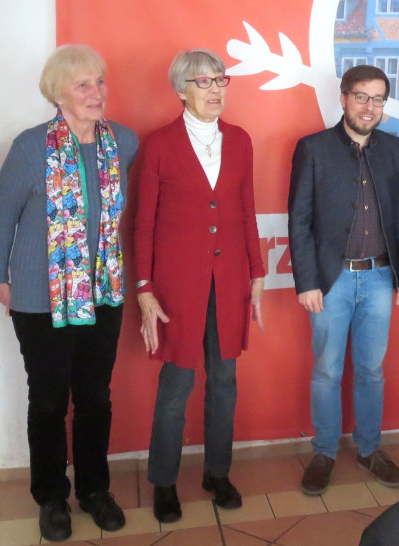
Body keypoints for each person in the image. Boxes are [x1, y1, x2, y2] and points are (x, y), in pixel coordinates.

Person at [0, 44, 138, 542]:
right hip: (39, 297)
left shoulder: (124, 143)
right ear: (58, 93)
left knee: (95, 396)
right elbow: (2, 217)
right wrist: (0, 277)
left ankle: (94, 490)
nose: (96, 93)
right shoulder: (31, 147)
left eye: (99, 82)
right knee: (50, 400)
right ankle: (51, 496)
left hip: (103, 293)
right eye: (83, 85)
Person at [133, 49, 265, 523]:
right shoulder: (160, 144)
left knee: (224, 380)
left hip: (229, 280)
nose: (215, 90)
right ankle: (164, 480)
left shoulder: (241, 140)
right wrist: (144, 287)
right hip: (176, 286)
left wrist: (257, 273)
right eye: (204, 82)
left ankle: (217, 471)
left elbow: (247, 210)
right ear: (181, 90)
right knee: (176, 384)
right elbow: (143, 222)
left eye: (220, 80)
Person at [288, 65, 399, 496]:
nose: (370, 107)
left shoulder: (394, 149)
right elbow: (300, 220)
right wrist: (306, 281)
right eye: (362, 97)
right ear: (343, 98)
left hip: (381, 277)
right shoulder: (313, 149)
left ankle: (369, 449)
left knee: (371, 370)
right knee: (326, 370)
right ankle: (324, 452)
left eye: (378, 99)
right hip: (331, 279)